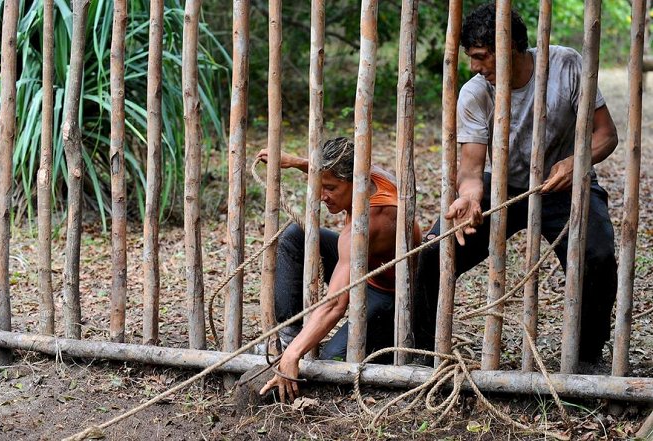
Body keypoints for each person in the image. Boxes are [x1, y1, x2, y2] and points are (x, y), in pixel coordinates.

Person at [414, 3, 618, 367]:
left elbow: (606, 135)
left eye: (481, 57)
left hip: (565, 185)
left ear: (511, 47)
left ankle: (587, 358)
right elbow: (473, 170)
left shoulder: (566, 65)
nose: (475, 68)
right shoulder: (475, 93)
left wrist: (577, 162)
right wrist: (470, 197)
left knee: (598, 257)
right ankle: (423, 354)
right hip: (506, 187)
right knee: (432, 254)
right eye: (470, 59)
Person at [257, 137, 422, 401]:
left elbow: (335, 304)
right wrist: (296, 162)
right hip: (362, 265)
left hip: (389, 295)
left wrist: (293, 356)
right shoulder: (371, 174)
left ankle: (293, 347)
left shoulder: (372, 220)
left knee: (329, 361)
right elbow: (329, 170)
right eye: (320, 186)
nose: (322, 197)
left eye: (330, 188)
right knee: (294, 236)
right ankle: (288, 335)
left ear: (354, 181)